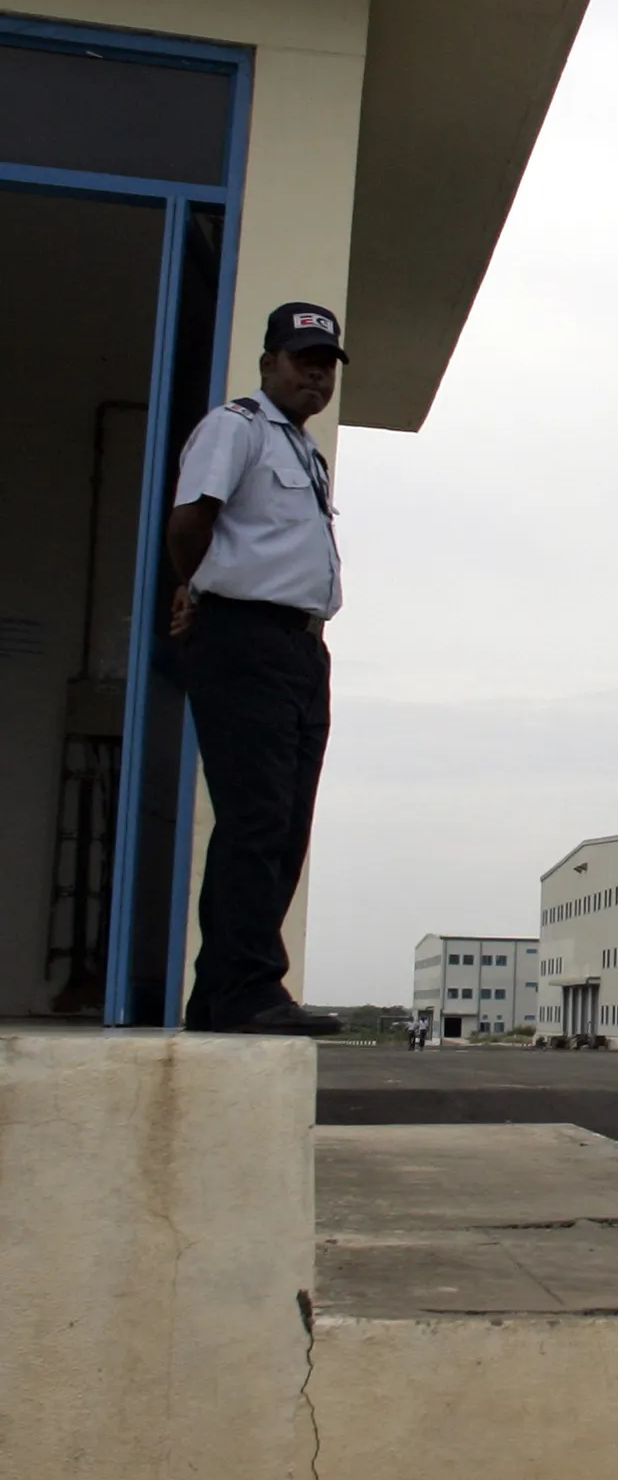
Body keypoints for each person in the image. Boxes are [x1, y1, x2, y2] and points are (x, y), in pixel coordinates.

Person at [164, 302, 350, 1036]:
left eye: (326, 362)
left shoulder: (304, 451)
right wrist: (194, 587)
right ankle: (248, 986)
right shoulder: (235, 427)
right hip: (244, 637)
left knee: (285, 825)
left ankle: (220, 997)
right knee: (256, 816)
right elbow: (190, 521)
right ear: (269, 361)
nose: (315, 373)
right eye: (302, 357)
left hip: (301, 648)